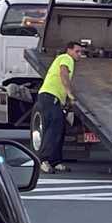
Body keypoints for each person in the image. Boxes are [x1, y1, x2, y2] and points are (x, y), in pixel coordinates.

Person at [37, 41, 84, 174]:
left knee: (60, 128)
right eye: (77, 51)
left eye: (81, 52)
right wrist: (70, 94)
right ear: (69, 50)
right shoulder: (66, 58)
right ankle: (43, 160)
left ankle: (55, 161)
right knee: (53, 128)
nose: (79, 55)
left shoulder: (67, 59)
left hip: (53, 98)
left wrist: (66, 100)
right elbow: (63, 74)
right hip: (50, 96)